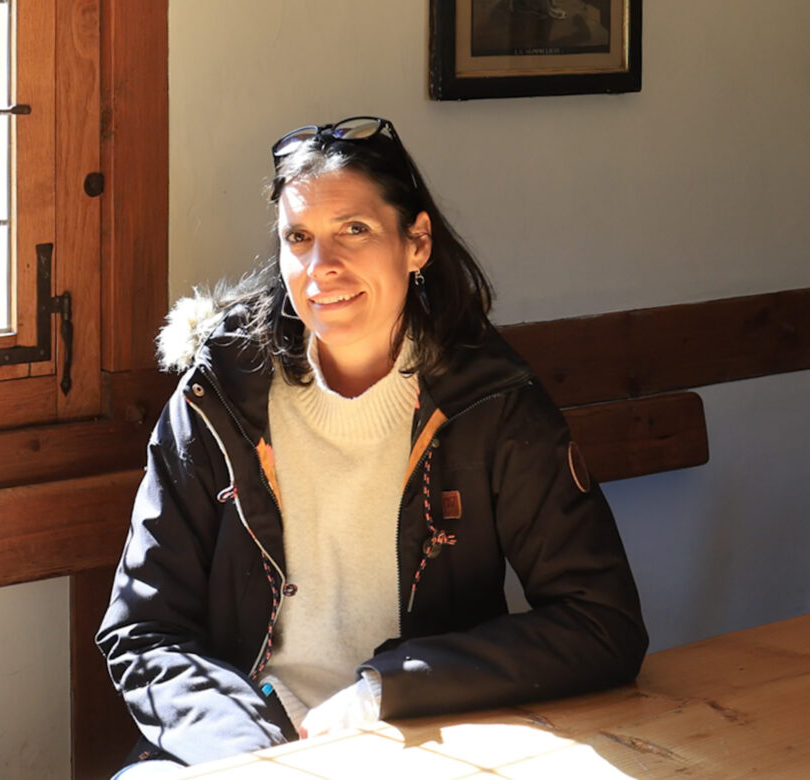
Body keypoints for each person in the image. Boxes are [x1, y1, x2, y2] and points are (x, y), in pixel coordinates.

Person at [96, 116, 647, 776]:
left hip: (421, 739)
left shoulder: (492, 402)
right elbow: (142, 630)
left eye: (353, 230)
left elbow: (601, 622)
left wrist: (391, 689)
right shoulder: (218, 395)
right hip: (235, 741)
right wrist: (250, 753)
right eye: (298, 238)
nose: (320, 267)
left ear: (417, 243)